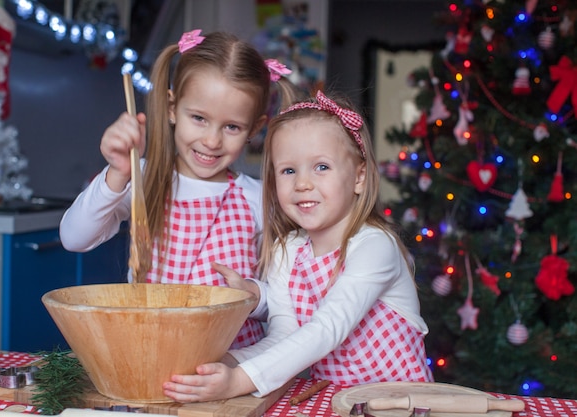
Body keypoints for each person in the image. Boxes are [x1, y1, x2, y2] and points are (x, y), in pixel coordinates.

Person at [162, 91, 434, 402]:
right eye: (289, 170)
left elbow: (328, 328)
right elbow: (284, 338)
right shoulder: (287, 252)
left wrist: (238, 380)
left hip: (403, 406)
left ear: (359, 176)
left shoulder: (375, 246)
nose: (302, 183)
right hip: (336, 404)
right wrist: (223, 363)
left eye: (321, 167)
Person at [59, 30, 297, 349]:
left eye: (232, 127)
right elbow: (74, 238)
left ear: (254, 128)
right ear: (172, 107)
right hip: (149, 356)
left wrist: (256, 296)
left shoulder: (260, 199)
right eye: (198, 118)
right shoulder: (143, 177)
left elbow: (288, 299)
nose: (212, 141)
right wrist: (118, 172)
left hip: (228, 370)